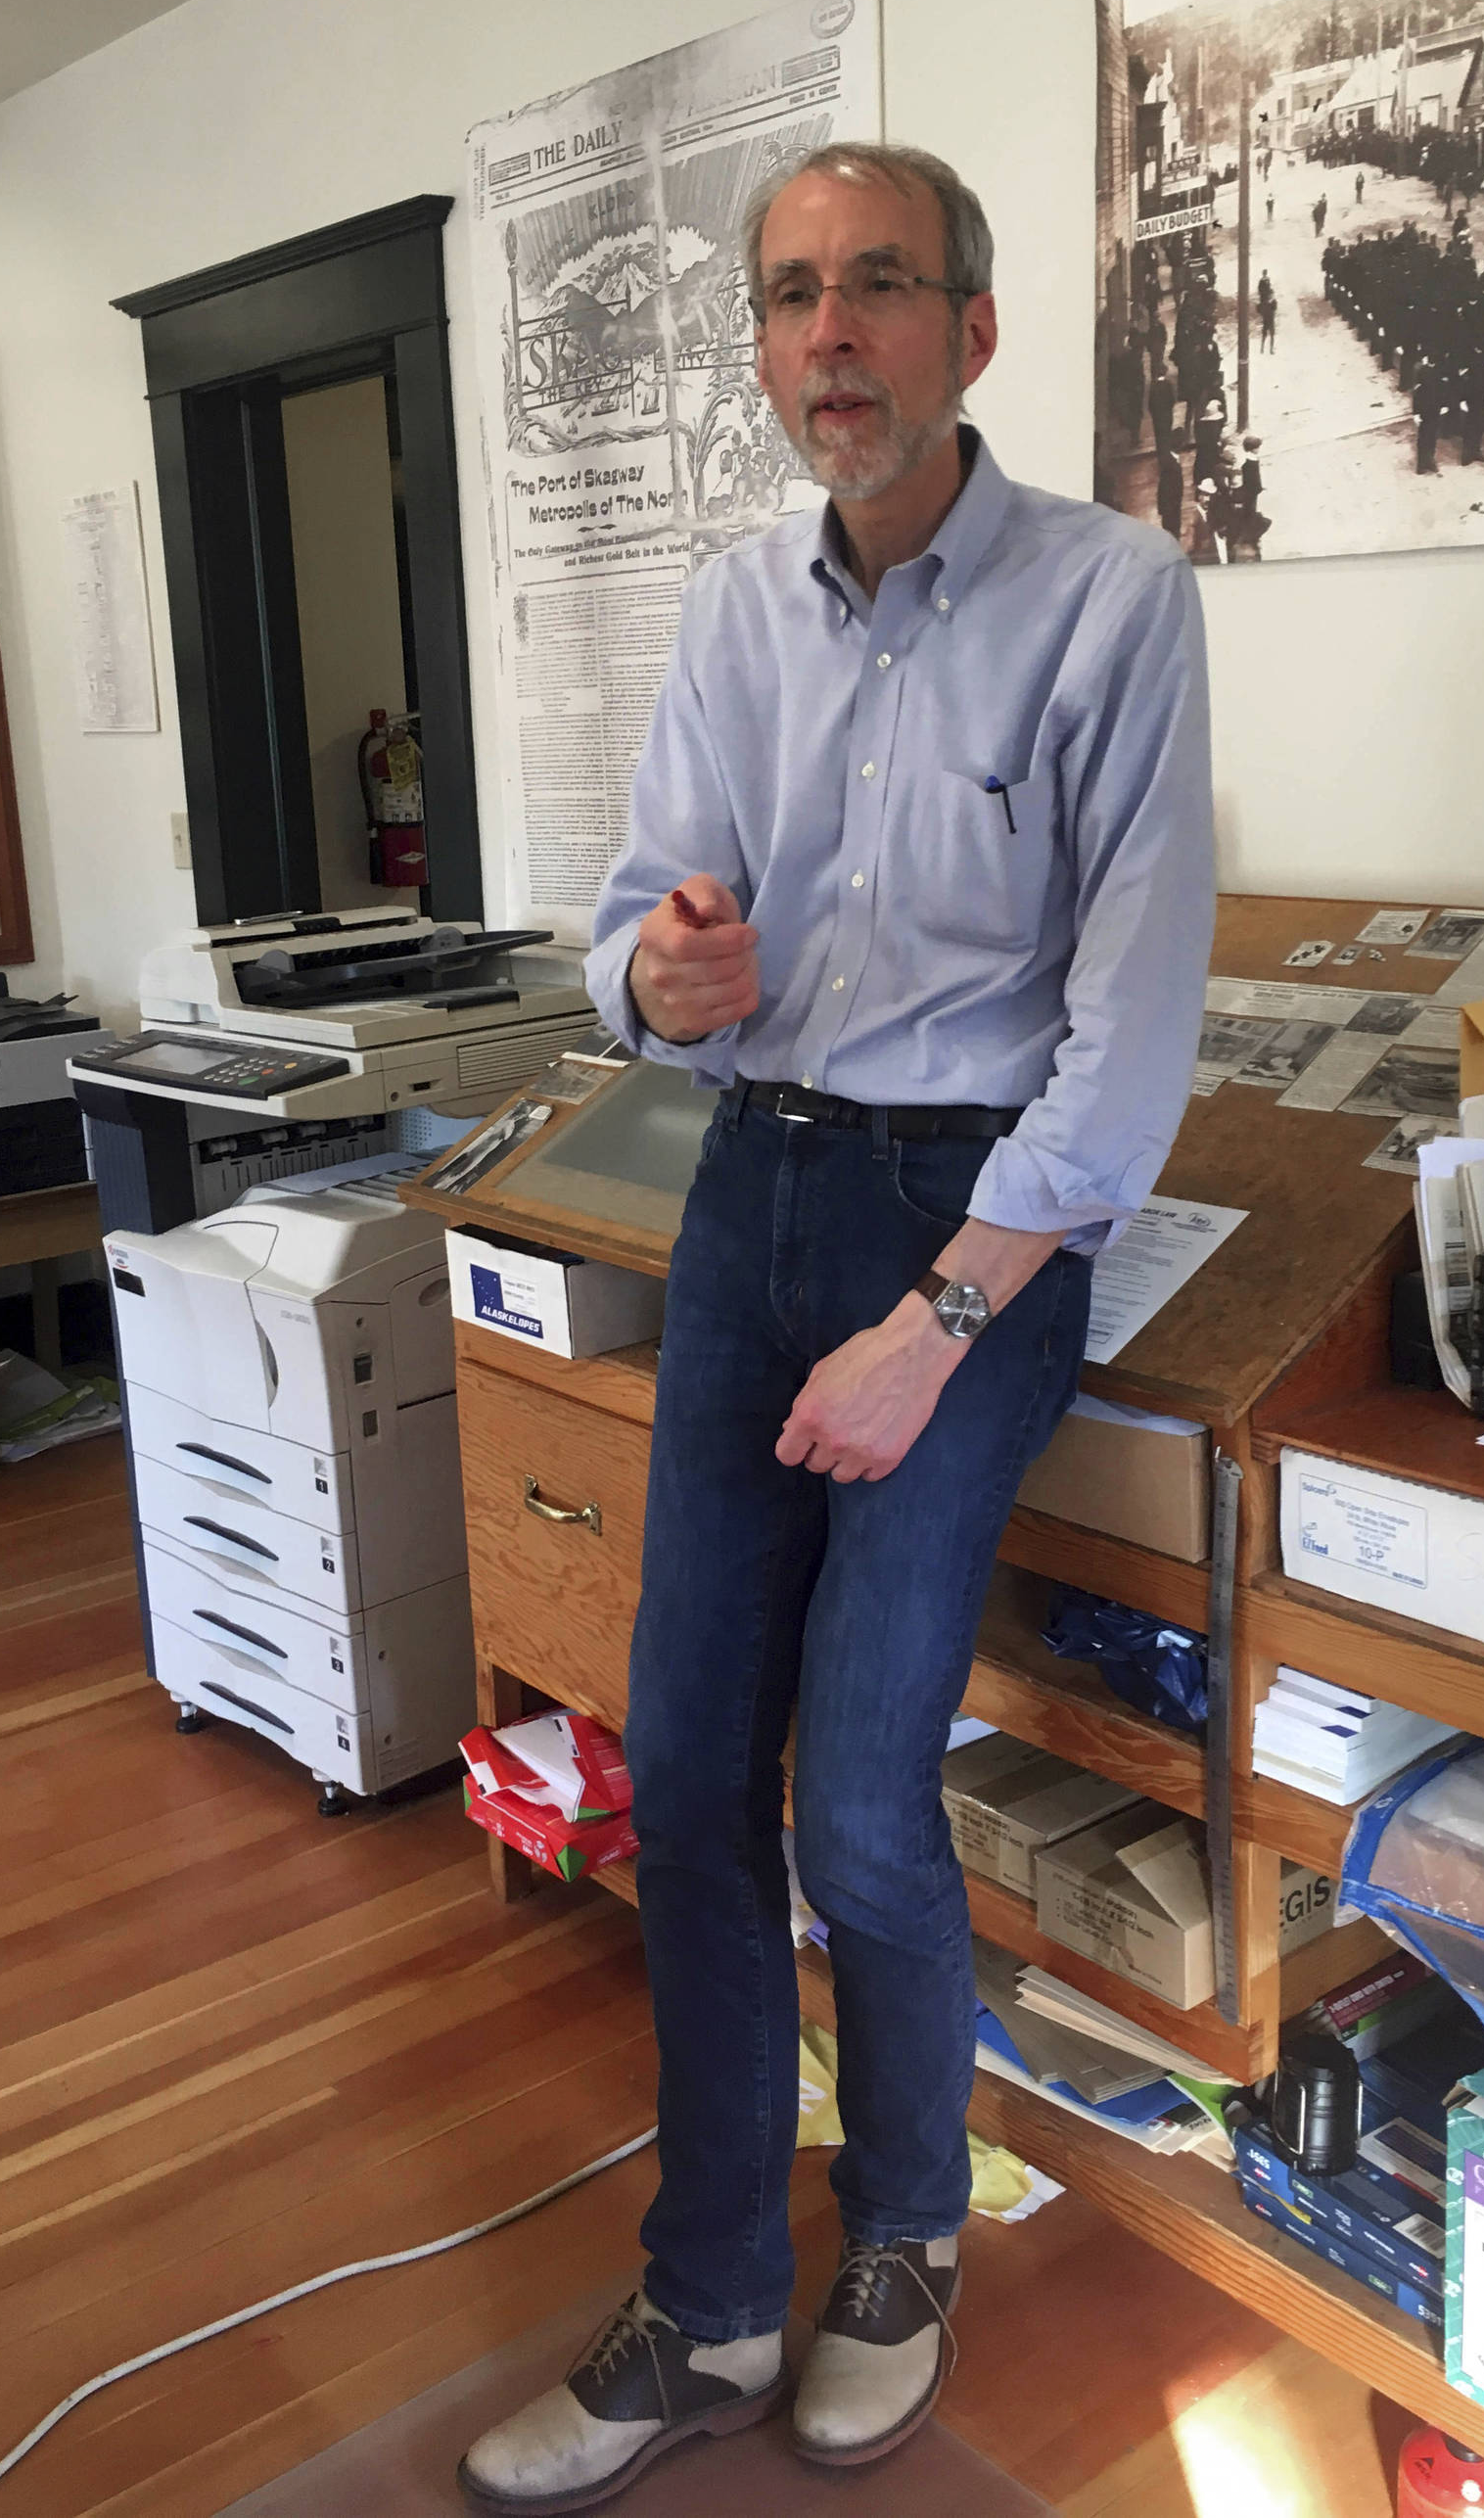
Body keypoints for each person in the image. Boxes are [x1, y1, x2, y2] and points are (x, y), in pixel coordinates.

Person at [459, 139, 1212, 2512]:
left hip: (966, 1219)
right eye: (789, 297)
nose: (826, 337)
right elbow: (628, 942)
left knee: (861, 1795)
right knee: (684, 1773)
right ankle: (705, 2297)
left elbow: (1130, 1021)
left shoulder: (1111, 599)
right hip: (754, 1177)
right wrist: (650, 980)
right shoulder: (729, 614)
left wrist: (940, 1317)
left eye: (875, 287)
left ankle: (897, 2233)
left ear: (969, 330)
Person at [1156, 439, 1184, 539]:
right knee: (1172, 533)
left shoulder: (1170, 460)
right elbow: (1167, 489)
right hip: (1171, 509)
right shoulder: (1172, 466)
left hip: (1170, 507)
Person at [1256, 272, 1277, 353]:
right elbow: (1275, 308)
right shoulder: (1272, 302)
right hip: (1270, 319)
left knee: (1265, 334)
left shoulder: (1265, 302)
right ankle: (1269, 349)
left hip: (1266, 319)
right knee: (1270, 334)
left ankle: (1263, 349)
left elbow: (1258, 309)